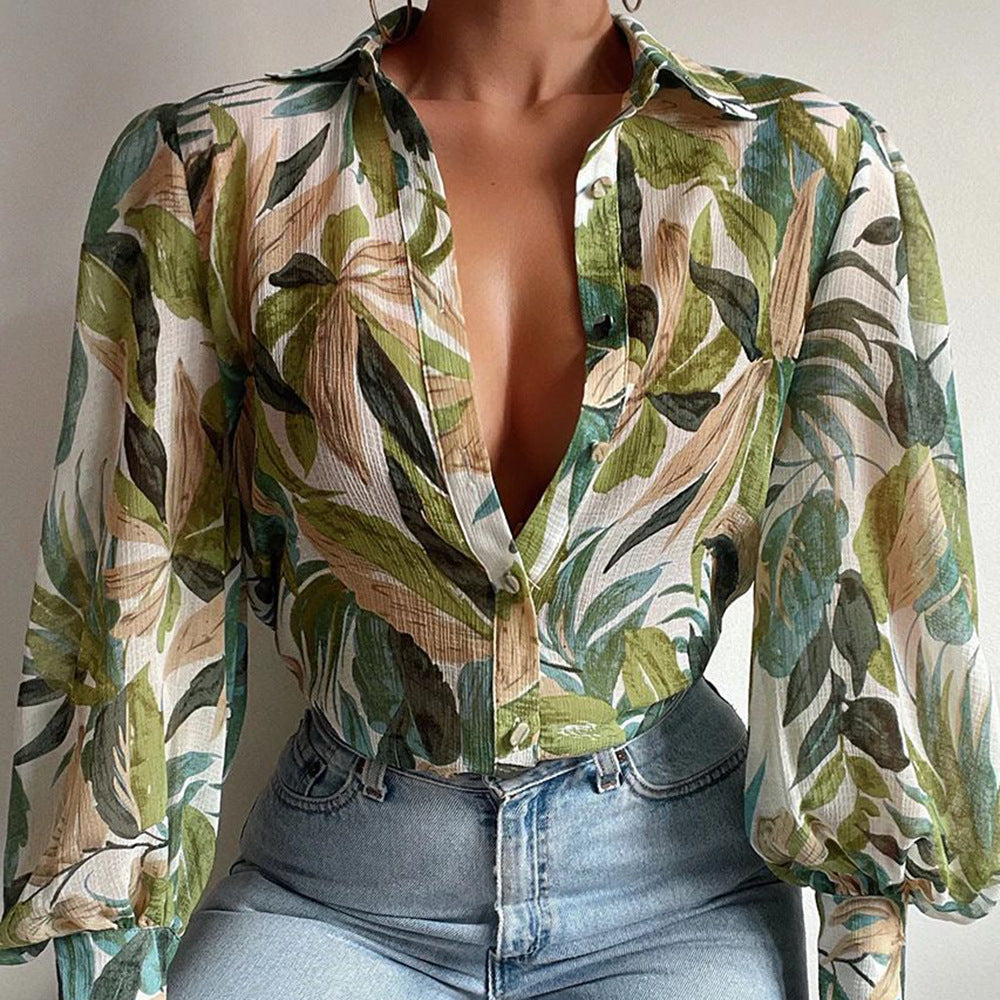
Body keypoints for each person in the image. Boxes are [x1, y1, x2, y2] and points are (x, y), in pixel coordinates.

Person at [1, 1, 998, 997]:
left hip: (678, 881)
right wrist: (114, 963)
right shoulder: (214, 167)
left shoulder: (808, 169)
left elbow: (859, 605)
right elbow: (136, 601)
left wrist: (860, 960)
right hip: (339, 882)